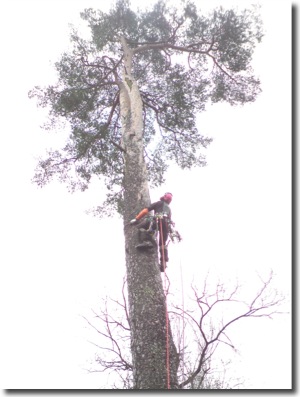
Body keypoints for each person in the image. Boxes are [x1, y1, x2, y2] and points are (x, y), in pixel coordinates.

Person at [130, 192, 173, 271]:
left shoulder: (158, 203)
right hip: (166, 225)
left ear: (164, 197)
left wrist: (137, 219)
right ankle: (163, 263)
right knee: (162, 244)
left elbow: (145, 211)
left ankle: (147, 241)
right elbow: (170, 220)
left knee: (145, 223)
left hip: (157, 219)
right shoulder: (169, 209)